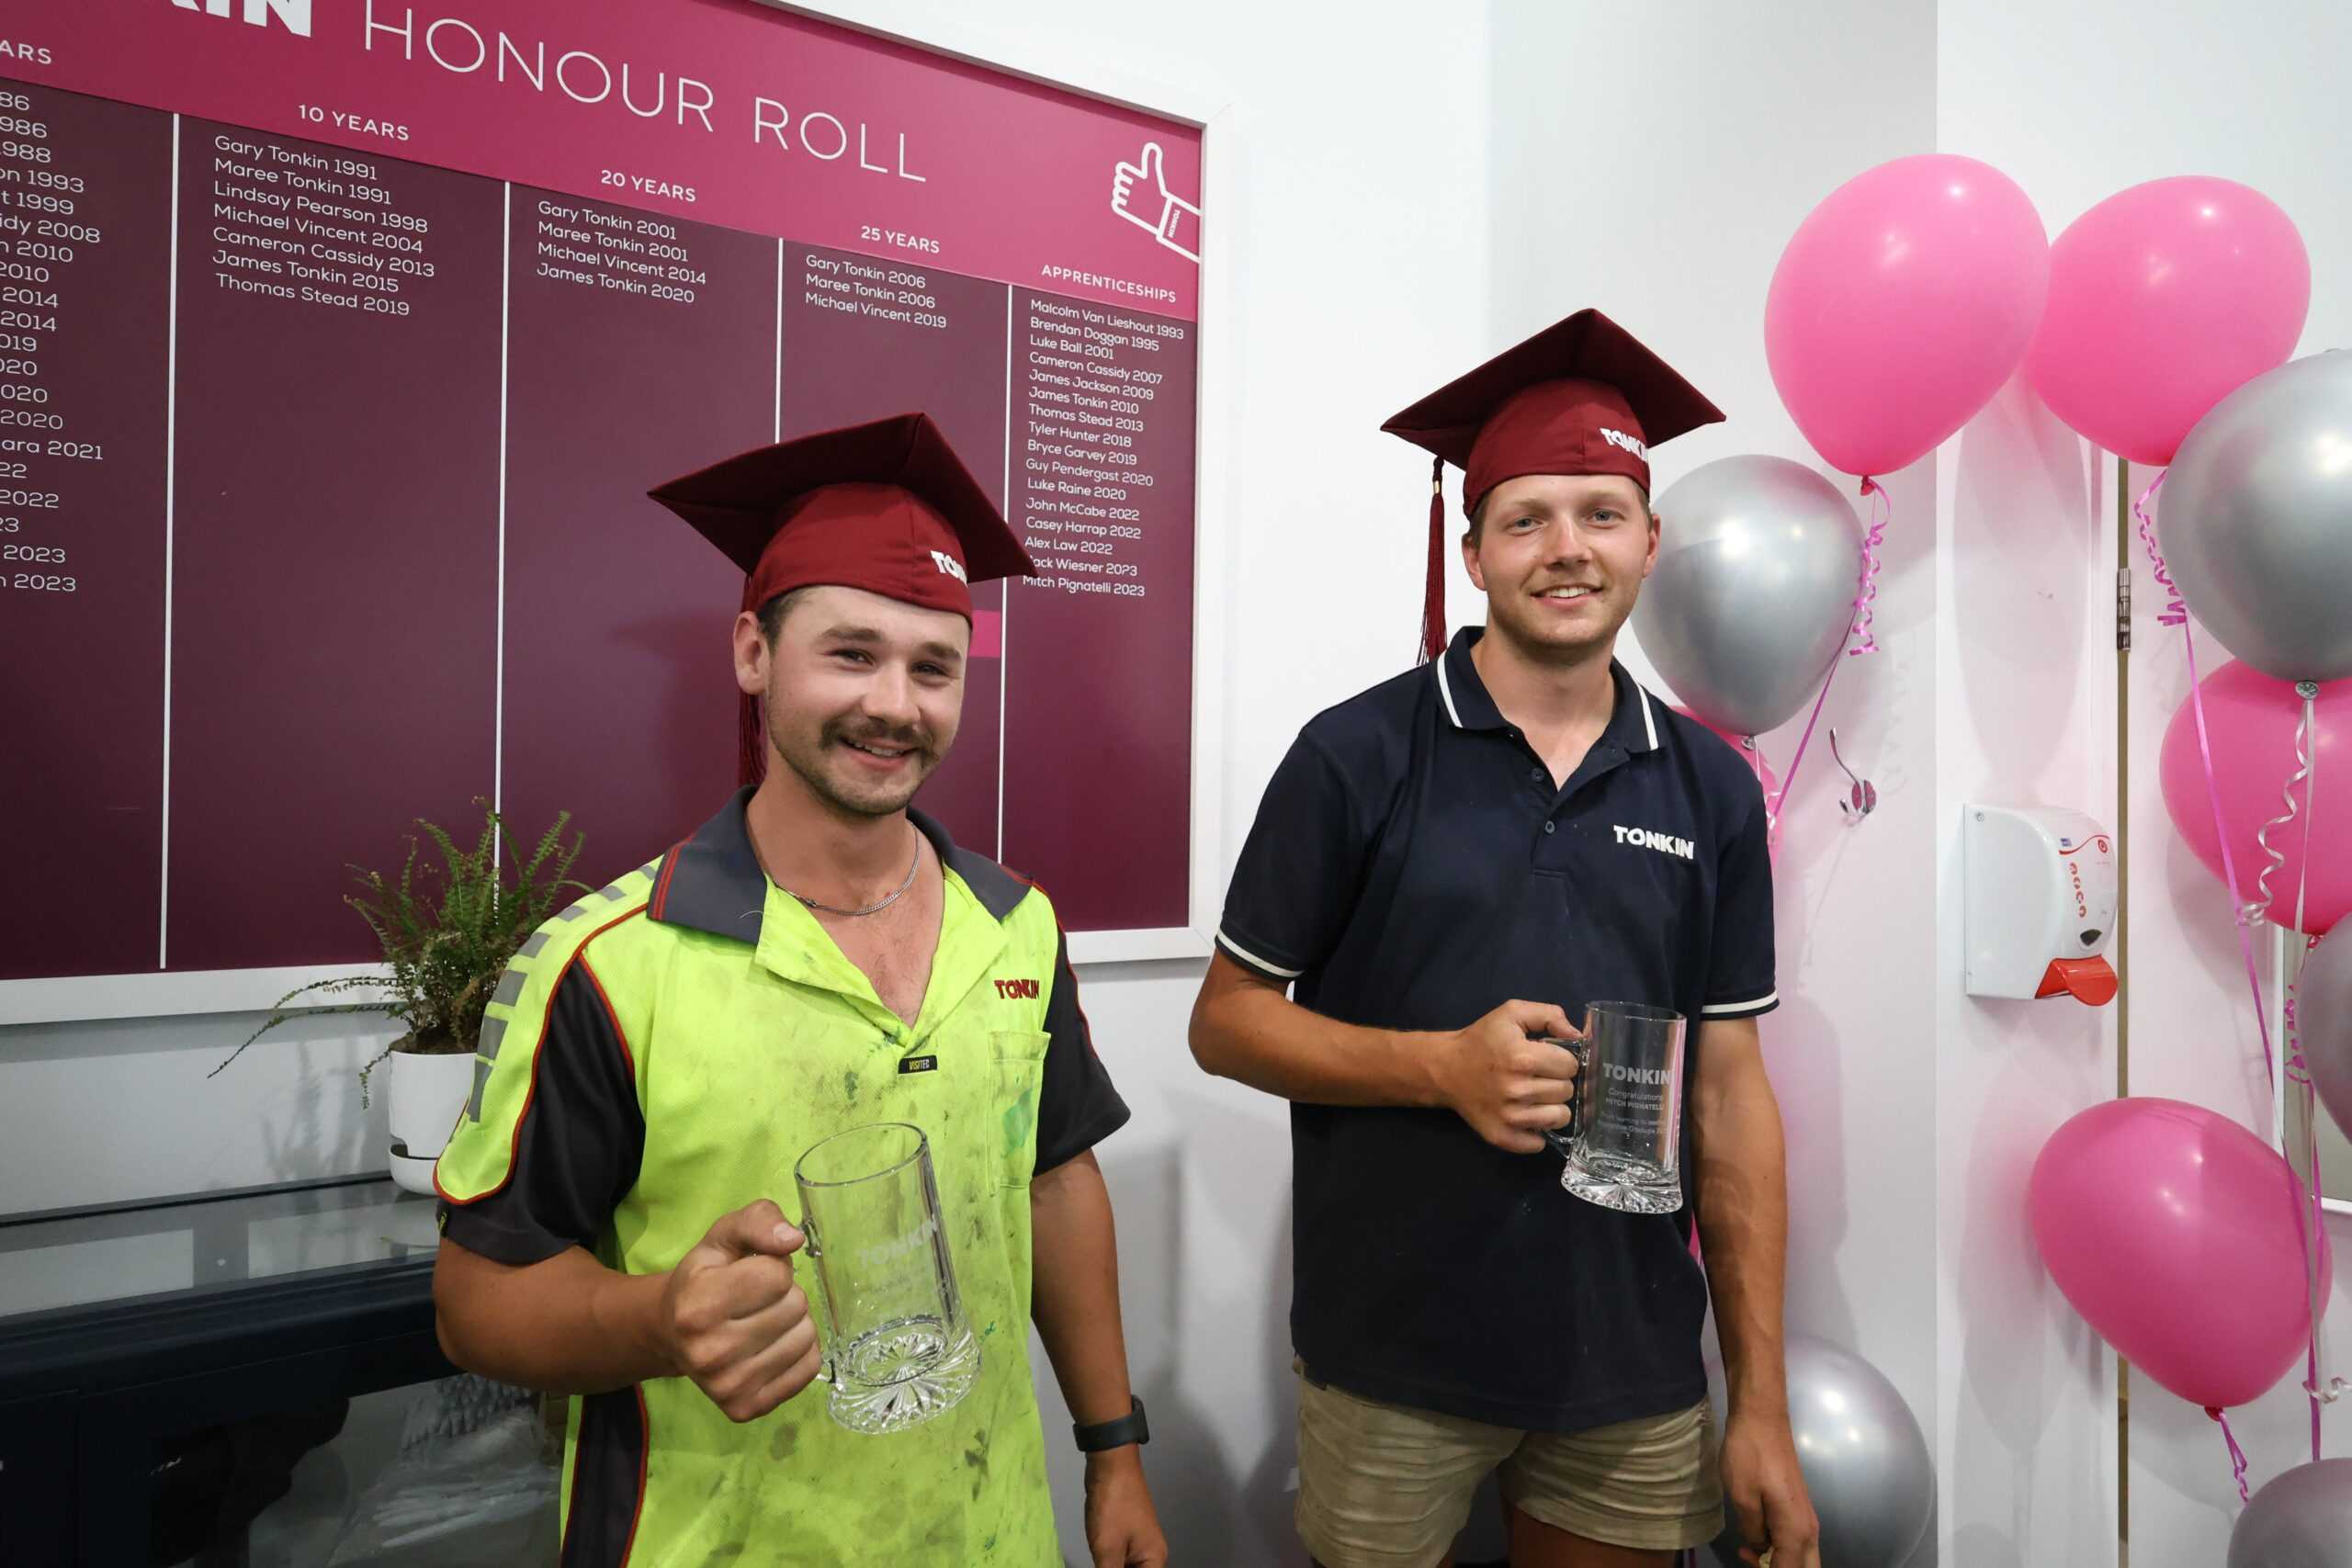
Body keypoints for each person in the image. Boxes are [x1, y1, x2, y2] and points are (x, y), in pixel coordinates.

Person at [431, 412, 1168, 1568]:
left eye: (934, 668)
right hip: (715, 1539)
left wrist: (1114, 1449)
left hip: (988, 1532)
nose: (896, 703)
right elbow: (475, 1301)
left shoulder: (1013, 925)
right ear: (752, 654)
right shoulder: (612, 963)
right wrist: (659, 1320)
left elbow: (1054, 1182)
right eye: (850, 653)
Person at [1189, 310, 1820, 1568]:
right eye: (1526, 518)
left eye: (1600, 512)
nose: (1566, 548)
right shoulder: (1356, 754)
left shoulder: (1707, 786)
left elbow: (1733, 1092)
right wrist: (1442, 1068)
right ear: (1472, 552)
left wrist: (1759, 1400)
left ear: (1650, 542)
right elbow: (1227, 1021)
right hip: (1393, 1353)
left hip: (1629, 1356)